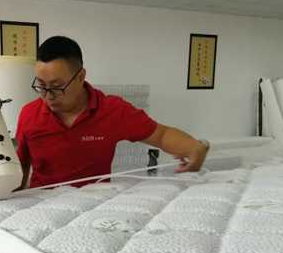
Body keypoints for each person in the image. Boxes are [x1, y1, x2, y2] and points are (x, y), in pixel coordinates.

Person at [15, 36, 209, 189]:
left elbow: (161, 135)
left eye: (57, 87)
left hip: (94, 203)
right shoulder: (29, 114)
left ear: (80, 77)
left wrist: (194, 146)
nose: (48, 96)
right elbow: (20, 163)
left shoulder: (112, 110)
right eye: (41, 85)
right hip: (43, 205)